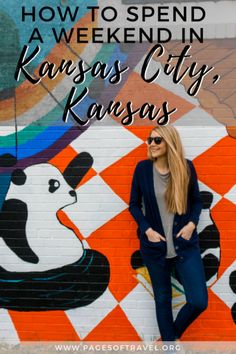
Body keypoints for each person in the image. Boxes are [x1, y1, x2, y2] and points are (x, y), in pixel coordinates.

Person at [129, 125, 208, 342]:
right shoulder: (142, 169)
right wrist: (147, 230)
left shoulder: (186, 168)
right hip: (154, 248)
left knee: (198, 301)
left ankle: (170, 337)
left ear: (169, 143)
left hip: (185, 245)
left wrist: (192, 224)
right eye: (150, 140)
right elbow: (134, 205)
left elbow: (197, 202)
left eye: (157, 140)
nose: (151, 144)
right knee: (163, 299)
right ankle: (169, 346)